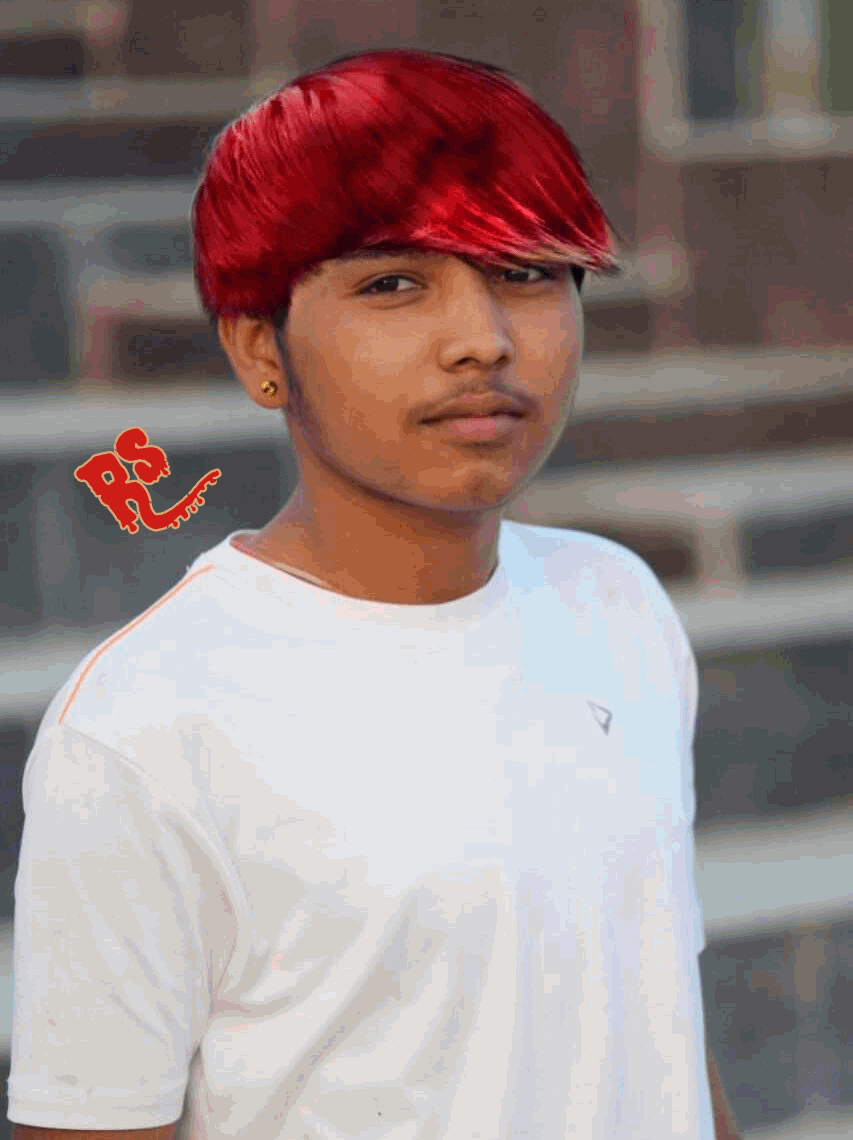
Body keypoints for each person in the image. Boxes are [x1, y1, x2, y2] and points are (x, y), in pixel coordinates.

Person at [9, 48, 739, 1140]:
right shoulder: (145, 726)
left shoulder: (617, 601)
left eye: (527, 273)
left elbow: (655, 1021)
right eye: (392, 283)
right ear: (259, 350)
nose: (483, 341)